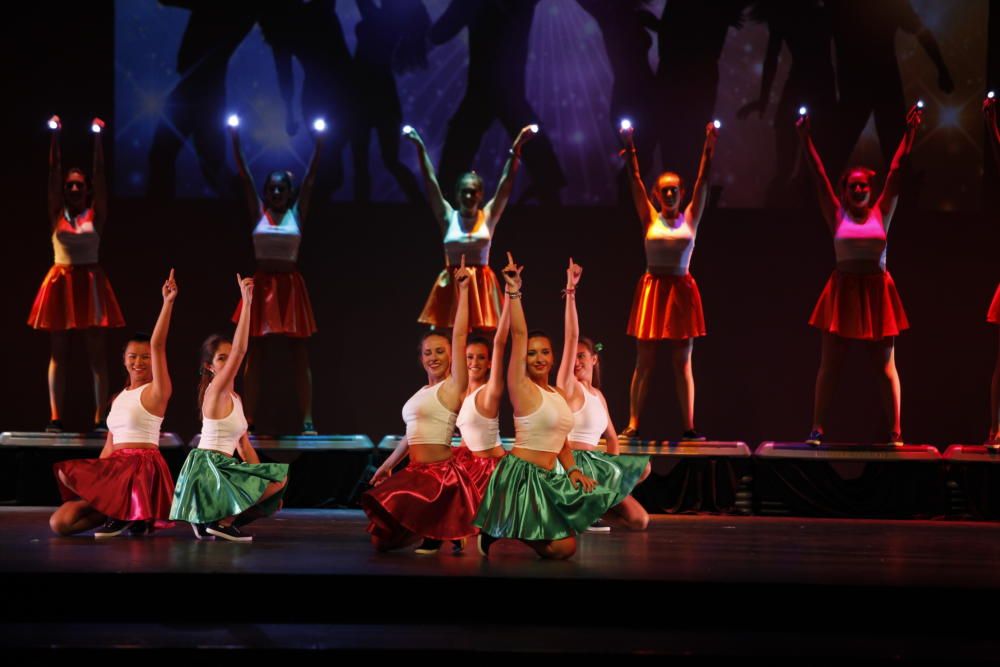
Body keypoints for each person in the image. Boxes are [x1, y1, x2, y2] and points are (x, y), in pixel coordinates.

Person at [796, 104, 923, 446]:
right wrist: (806, 141)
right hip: (842, 291)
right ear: (845, 190)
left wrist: (910, 134)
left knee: (884, 368)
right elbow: (819, 177)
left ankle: (895, 431)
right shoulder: (837, 215)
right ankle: (817, 428)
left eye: (863, 186)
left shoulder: (882, 212)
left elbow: (896, 171)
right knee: (830, 366)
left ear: (870, 188)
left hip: (877, 291)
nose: (857, 191)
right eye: (852, 187)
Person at [49, 271, 177, 537]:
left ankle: (130, 511)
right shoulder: (119, 397)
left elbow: (159, 344)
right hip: (116, 471)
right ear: (124, 359)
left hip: (139, 469)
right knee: (60, 522)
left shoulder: (157, 390)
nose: (138, 362)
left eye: (145, 357)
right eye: (132, 356)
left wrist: (168, 302)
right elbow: (110, 444)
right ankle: (122, 512)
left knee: (71, 483)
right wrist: (98, 485)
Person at [619, 121, 718, 441]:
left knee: (682, 363)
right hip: (652, 289)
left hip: (681, 289)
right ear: (657, 194)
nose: (671, 193)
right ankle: (633, 424)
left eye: (675, 189)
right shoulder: (650, 216)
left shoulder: (691, 217)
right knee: (644, 362)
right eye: (665, 189)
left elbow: (704, 179)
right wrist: (631, 148)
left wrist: (708, 147)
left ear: (682, 192)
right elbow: (633, 178)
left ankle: (688, 427)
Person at [170, 275, 289, 542]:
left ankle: (211, 521)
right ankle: (221, 522)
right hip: (209, 469)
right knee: (277, 482)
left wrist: (263, 485)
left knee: (275, 489)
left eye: (228, 357)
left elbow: (244, 446)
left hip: (222, 468)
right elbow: (241, 350)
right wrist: (247, 303)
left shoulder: (235, 398)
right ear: (210, 367)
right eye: (221, 358)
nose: (229, 361)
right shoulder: (215, 389)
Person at [29, 116, 124, 432]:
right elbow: (53, 175)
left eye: (78, 185)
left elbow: (100, 175)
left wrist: (98, 141)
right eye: (69, 185)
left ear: (86, 190)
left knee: (96, 354)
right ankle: (55, 418)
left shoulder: (95, 214)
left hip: (90, 283)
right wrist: (55, 138)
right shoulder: (57, 212)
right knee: (59, 353)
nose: (72, 188)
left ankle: (100, 418)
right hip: (60, 281)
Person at [229, 119, 321, 434]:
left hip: (290, 287)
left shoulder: (296, 214)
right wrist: (236, 141)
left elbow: (309, 181)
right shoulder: (259, 213)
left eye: (282, 187)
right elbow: (244, 177)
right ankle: (249, 418)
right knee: (255, 353)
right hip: (264, 284)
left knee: (298, 354)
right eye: (272, 188)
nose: (278, 191)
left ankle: (307, 418)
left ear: (289, 192)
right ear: (266, 192)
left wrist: (319, 145)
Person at [405, 124, 535, 331]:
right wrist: (420, 148)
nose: (468, 196)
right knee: (447, 337)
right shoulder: (448, 217)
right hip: (452, 283)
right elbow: (431, 182)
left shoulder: (488, 216)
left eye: (473, 192)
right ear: (457, 195)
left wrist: (516, 148)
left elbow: (506, 183)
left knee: (482, 340)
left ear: (481, 195)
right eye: (464, 192)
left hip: (481, 285)